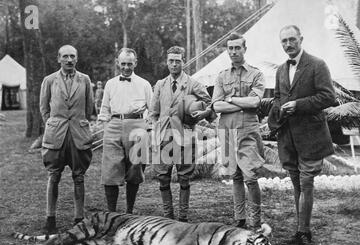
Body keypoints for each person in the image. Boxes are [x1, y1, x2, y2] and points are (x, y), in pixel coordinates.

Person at [268, 25, 336, 245]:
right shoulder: (280, 70)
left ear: (301, 39)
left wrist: (299, 105)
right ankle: (300, 230)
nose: (288, 44)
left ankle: (305, 233)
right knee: (297, 184)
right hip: (289, 138)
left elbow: (328, 97)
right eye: (284, 41)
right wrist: (280, 111)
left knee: (306, 184)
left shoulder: (317, 64)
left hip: (311, 137)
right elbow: (277, 98)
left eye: (292, 40)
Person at [150, 46, 214, 222]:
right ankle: (168, 216)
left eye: (177, 60)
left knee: (184, 178)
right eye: (171, 60)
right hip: (163, 137)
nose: (174, 64)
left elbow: (210, 104)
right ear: (167, 62)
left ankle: (183, 218)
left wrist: (201, 114)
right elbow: (153, 112)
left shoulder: (193, 84)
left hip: (185, 136)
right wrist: (154, 130)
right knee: (163, 178)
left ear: (183, 61)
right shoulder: (160, 85)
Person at [212, 32, 265, 231]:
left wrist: (231, 99)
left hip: (248, 130)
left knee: (250, 176)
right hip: (227, 130)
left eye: (237, 48)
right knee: (235, 175)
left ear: (244, 49)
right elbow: (216, 106)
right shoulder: (221, 76)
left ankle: (255, 221)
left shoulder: (256, 74)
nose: (233, 52)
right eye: (230, 48)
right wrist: (241, 105)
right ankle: (240, 218)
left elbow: (255, 101)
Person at [39, 45, 94, 234]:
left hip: (78, 134)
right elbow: (44, 108)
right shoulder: (49, 80)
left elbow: (89, 108)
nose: (69, 60)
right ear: (59, 58)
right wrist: (54, 125)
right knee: (53, 176)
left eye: (72, 56)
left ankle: (79, 218)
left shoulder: (85, 80)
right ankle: (50, 218)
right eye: (65, 57)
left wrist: (78, 125)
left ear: (77, 59)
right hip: (56, 135)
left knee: (79, 177)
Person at [98, 48, 153, 213]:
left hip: (137, 125)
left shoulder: (144, 84)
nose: (126, 68)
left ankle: (129, 211)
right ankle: (112, 213)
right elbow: (104, 109)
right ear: (118, 63)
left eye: (130, 64)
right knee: (110, 170)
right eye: (123, 64)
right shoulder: (110, 84)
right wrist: (103, 126)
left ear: (135, 63)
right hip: (114, 125)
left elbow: (152, 110)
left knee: (135, 169)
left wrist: (149, 130)